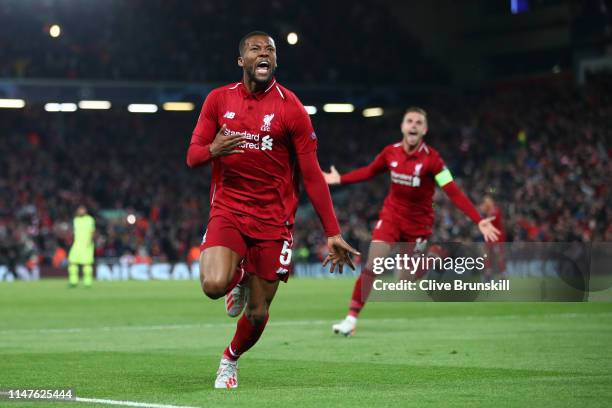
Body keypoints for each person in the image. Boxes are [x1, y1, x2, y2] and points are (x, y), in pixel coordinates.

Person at [186, 31, 359, 389]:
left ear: (275, 61)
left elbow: (312, 175)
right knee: (213, 285)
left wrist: (333, 231)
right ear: (242, 61)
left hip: (273, 221)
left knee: (258, 311)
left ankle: (230, 359)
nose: (263, 53)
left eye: (270, 50)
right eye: (255, 49)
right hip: (229, 209)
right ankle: (238, 280)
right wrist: (212, 150)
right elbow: (192, 157)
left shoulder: (291, 108)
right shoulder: (218, 100)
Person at [323, 107, 500, 336]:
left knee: (407, 278)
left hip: (419, 225)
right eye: (410, 121)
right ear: (403, 126)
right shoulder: (390, 152)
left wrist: (478, 220)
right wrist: (340, 178)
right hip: (392, 217)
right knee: (373, 265)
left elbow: (453, 191)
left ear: (424, 129)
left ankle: (433, 257)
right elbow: (369, 171)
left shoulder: (434, 160)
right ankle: (351, 319)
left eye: (418, 122)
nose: (414, 125)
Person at [67, 205, 96, 287]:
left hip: (87, 245)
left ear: (85, 211)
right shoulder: (75, 220)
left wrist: (89, 241)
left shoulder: (90, 219)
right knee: (72, 262)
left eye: (82, 210)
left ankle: (88, 282)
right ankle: (73, 282)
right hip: (76, 244)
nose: (81, 211)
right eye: (80, 210)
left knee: (87, 264)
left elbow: (92, 231)